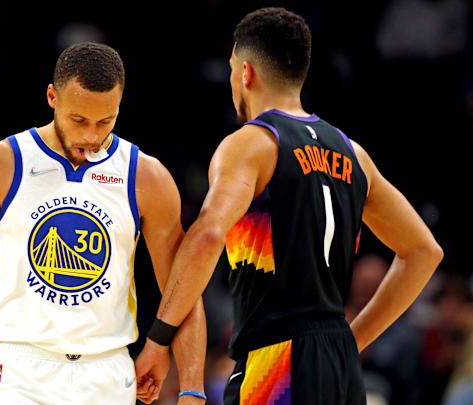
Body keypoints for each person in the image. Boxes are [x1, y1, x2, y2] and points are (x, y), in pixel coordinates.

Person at [135, 7, 443, 405]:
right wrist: (353, 339)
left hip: (277, 359)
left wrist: (160, 337)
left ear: (245, 73)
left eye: (232, 70)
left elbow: (209, 233)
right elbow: (423, 251)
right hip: (340, 364)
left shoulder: (251, 144)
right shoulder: (354, 154)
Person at [0, 42, 206, 405]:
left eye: (105, 121)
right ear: (53, 97)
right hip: (17, 367)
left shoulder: (147, 177)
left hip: (108, 370)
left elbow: (182, 289)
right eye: (79, 120)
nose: (90, 135)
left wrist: (193, 389)